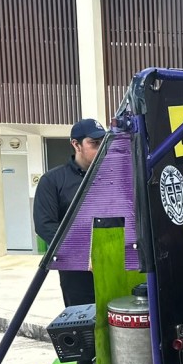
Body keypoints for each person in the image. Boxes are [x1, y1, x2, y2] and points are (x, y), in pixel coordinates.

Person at [33, 118, 107, 306]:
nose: (101, 149)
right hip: (76, 271)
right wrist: (82, 254)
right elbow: (45, 225)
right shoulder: (53, 181)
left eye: (104, 143)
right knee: (84, 325)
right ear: (76, 144)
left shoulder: (112, 177)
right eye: (94, 144)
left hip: (113, 264)